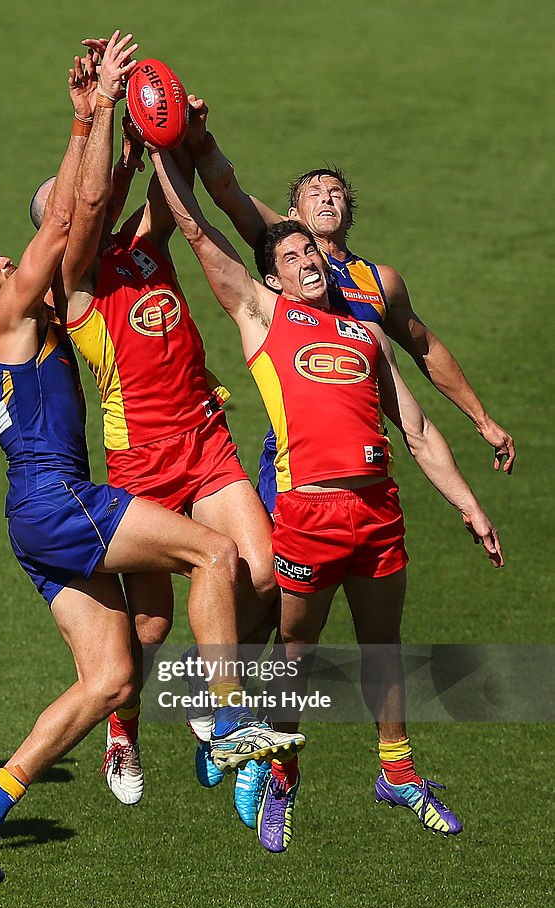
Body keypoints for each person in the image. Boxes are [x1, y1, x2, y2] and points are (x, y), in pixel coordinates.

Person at [0, 35, 305, 882]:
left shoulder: (16, 324)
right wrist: (88, 112)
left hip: (32, 522)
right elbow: (67, 222)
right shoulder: (11, 315)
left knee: (111, 680)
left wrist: (145, 134)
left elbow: (99, 206)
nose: (3, 261)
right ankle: (226, 715)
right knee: (213, 553)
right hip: (61, 499)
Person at [149, 146, 504, 853]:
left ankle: (397, 771)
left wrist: (468, 504)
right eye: (289, 256)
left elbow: (417, 429)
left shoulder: (365, 333)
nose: (305, 260)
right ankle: (281, 773)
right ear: (269, 277)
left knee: (382, 647)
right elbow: (197, 233)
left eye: (309, 252)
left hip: (378, 511)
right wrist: (163, 148)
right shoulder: (262, 317)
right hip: (308, 513)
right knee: (294, 652)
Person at [28, 50, 278, 823]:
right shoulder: (71, 284)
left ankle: (217, 713)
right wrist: (103, 114)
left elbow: (172, 203)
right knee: (151, 623)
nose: (88, 208)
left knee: (262, 575)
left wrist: (170, 133)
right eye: (67, 208)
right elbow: (92, 197)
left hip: (205, 440)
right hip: (140, 463)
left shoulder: (143, 246)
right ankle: (123, 730)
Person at [184, 102, 515, 513]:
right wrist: (200, 141)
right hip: (300, 446)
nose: (327, 198)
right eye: (314, 193)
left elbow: (426, 349)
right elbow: (228, 194)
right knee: (274, 574)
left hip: (365, 445)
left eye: (336, 193)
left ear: (348, 214)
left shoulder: (380, 281)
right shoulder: (287, 249)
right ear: (292, 217)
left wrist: (482, 420)